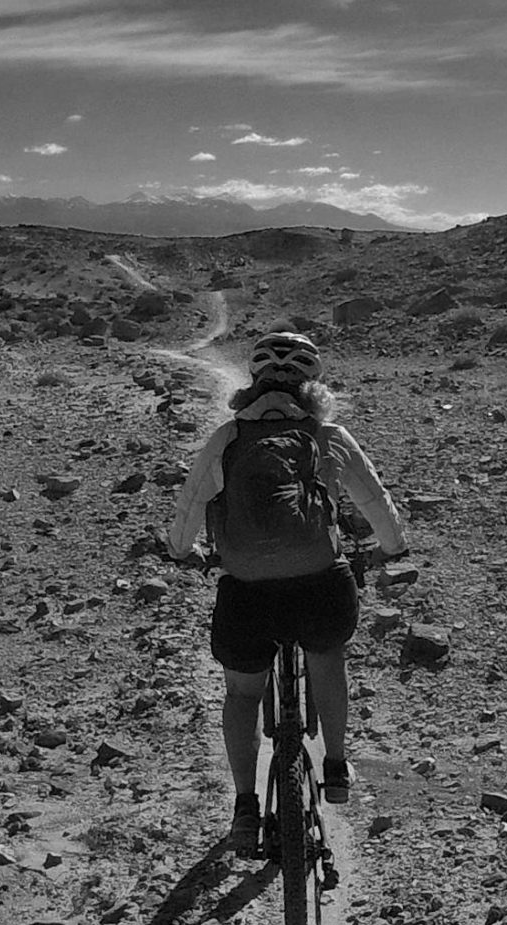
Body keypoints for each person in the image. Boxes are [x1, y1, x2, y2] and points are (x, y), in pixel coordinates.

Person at [167, 331, 407, 855]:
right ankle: (337, 765)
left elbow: (188, 508)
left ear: (253, 385)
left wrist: (182, 551)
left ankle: (246, 806)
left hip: (246, 594)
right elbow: (376, 501)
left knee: (243, 693)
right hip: (320, 584)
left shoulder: (228, 438)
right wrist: (392, 547)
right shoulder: (330, 436)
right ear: (312, 387)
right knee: (327, 655)